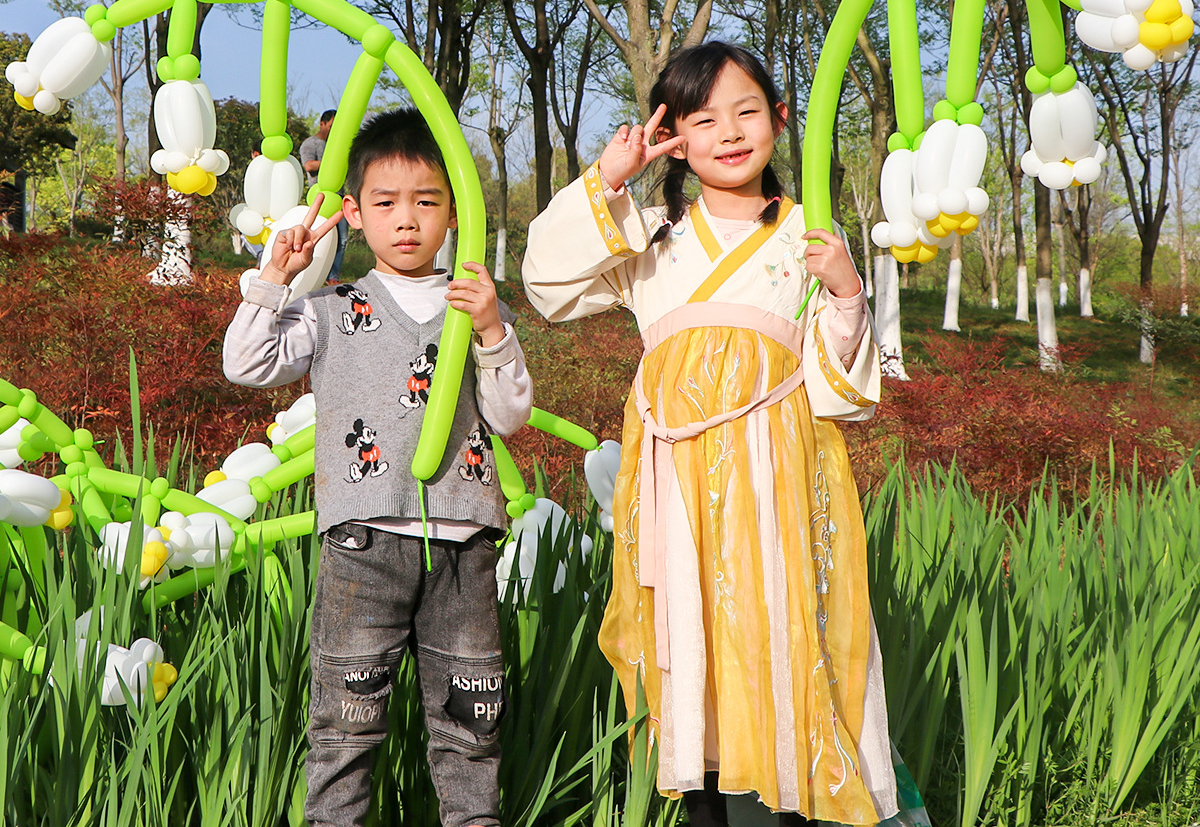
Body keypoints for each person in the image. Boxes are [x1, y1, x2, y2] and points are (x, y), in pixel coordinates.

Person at [522, 42, 904, 826]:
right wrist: (609, 180)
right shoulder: (652, 239)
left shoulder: (810, 238)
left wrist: (847, 293)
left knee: (785, 645)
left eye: (746, 112)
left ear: (780, 119)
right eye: (703, 119)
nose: (728, 133)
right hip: (674, 493)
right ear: (677, 138)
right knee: (683, 655)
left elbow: (844, 396)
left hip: (777, 489)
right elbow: (546, 286)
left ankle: (799, 800)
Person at [224, 108, 532, 827]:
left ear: (454, 209)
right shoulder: (330, 309)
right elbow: (244, 363)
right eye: (387, 204)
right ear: (355, 214)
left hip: (464, 549)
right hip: (363, 546)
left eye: (426, 202)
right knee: (344, 729)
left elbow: (511, 414)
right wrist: (278, 274)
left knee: (471, 731)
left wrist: (492, 328)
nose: (407, 221)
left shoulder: (476, 305)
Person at [301, 109, 349, 280]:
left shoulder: (336, 146)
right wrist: (330, 163)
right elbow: (308, 165)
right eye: (331, 126)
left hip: (339, 198)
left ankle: (333, 276)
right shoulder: (310, 143)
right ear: (322, 123)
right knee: (318, 240)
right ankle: (313, 275)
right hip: (319, 200)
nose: (333, 130)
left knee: (341, 241)